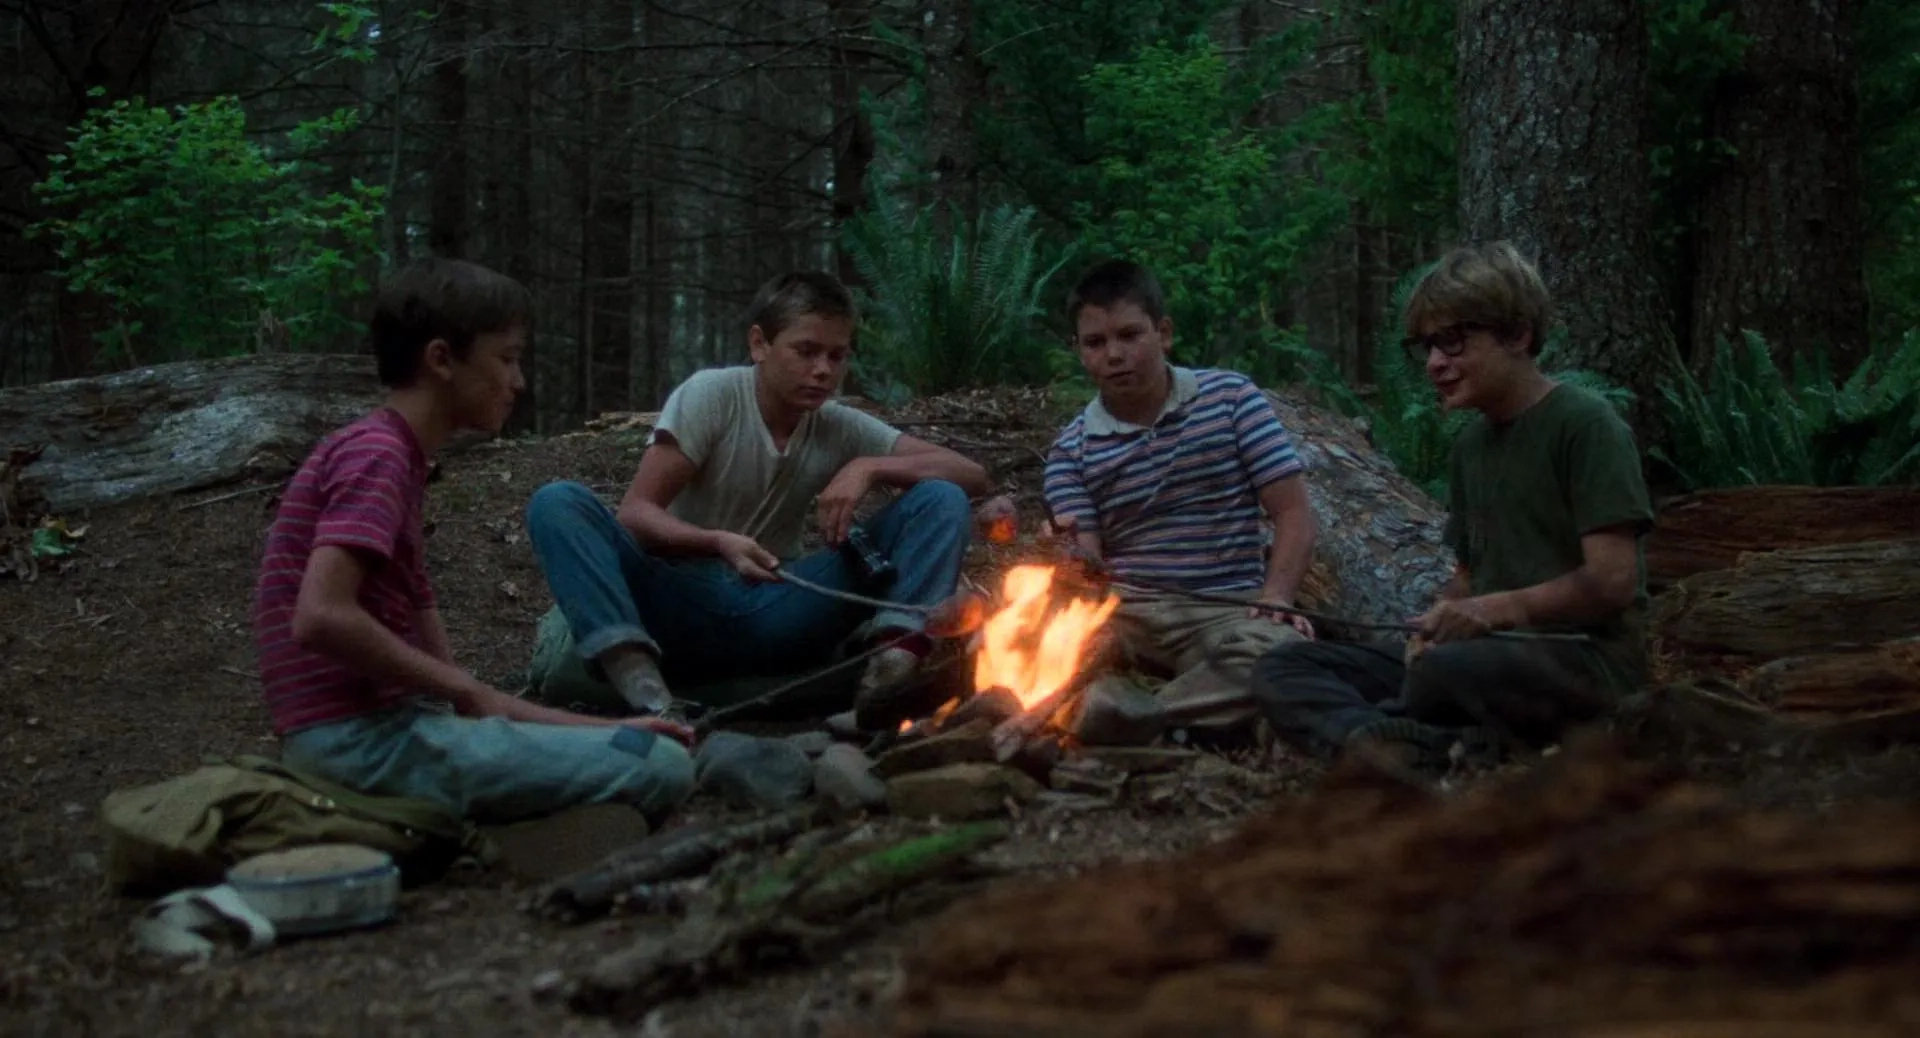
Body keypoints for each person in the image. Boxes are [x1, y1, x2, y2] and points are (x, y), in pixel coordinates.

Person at [252, 258, 695, 824]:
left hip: (379, 735)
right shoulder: (377, 456)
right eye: (506, 359)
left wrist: (611, 729)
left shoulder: (397, 463)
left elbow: (476, 704)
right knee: (663, 768)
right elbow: (320, 615)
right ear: (441, 359)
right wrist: (471, 694)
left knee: (648, 750)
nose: (519, 380)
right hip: (355, 747)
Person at [1250, 241, 1654, 768]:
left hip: (1582, 660)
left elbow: (1612, 581)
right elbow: (1468, 574)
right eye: (1428, 348)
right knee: (1284, 669)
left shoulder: (1585, 424)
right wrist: (1436, 618)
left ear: (1517, 335)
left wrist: (1493, 611)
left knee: (1447, 673)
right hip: (1483, 658)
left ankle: (1399, 740)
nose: (1436, 364)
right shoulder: (1471, 447)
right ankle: (1394, 748)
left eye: (1454, 343)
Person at [525, 270, 990, 721]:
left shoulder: (836, 423)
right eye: (806, 351)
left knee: (939, 497)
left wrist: (868, 466)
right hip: (681, 598)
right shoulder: (713, 395)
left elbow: (969, 475)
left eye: (837, 356)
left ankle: (891, 666)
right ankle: (643, 687)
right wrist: (717, 542)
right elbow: (636, 513)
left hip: (778, 605)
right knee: (558, 502)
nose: (823, 370)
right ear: (759, 344)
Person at [1042, 259, 1318, 742]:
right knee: (1013, 641)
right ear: (1079, 351)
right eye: (1096, 342)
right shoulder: (1071, 448)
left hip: (1227, 609)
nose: (1115, 354)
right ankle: (1184, 713)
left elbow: (1293, 512)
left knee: (1281, 653)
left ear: (1163, 333)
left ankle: (1138, 715)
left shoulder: (1232, 399)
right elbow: (1089, 566)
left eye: (1130, 335)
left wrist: (1276, 596)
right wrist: (1065, 555)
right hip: (1125, 615)